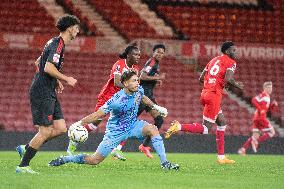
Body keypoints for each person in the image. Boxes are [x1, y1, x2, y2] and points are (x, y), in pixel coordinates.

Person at [49, 70, 179, 170]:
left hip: (132, 125)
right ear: (126, 83)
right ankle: (67, 159)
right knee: (95, 160)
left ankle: (165, 163)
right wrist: (79, 123)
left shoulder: (138, 89)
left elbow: (143, 98)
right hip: (115, 132)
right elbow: (97, 115)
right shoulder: (116, 100)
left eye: (137, 80)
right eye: (134, 81)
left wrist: (156, 107)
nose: (137, 83)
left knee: (153, 129)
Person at [15, 14, 80, 174]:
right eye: (77, 28)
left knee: (61, 128)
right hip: (42, 91)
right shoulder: (58, 44)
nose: (78, 31)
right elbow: (47, 68)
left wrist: (55, 80)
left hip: (48, 89)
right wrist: (66, 79)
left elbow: (39, 62)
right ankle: (23, 166)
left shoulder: (54, 42)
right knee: (44, 131)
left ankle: (27, 147)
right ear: (70, 28)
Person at [165, 41, 243, 164]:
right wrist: (237, 85)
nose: (236, 52)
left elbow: (201, 78)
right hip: (214, 96)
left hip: (205, 93)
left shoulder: (213, 60)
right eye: (234, 50)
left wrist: (215, 84)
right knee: (206, 128)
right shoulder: (231, 62)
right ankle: (179, 126)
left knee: (222, 122)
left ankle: (221, 157)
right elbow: (229, 79)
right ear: (227, 51)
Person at [66, 45, 140, 161]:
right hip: (108, 96)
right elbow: (116, 82)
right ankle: (74, 140)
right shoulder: (119, 64)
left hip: (122, 99)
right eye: (135, 54)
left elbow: (135, 85)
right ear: (128, 55)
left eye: (139, 54)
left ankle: (116, 149)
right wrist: (130, 86)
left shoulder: (136, 69)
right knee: (96, 122)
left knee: (126, 122)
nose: (138, 57)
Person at [112, 44, 167, 159]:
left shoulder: (155, 63)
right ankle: (116, 148)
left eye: (162, 53)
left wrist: (155, 81)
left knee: (159, 119)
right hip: (142, 97)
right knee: (129, 122)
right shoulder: (152, 62)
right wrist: (158, 78)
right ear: (153, 52)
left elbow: (145, 76)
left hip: (148, 96)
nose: (159, 54)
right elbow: (142, 76)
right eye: (158, 52)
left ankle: (144, 145)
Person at [238, 82, 276, 155]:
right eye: (269, 88)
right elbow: (254, 100)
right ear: (265, 88)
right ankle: (256, 141)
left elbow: (265, 110)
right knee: (272, 132)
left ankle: (243, 149)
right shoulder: (264, 95)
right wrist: (260, 109)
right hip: (261, 118)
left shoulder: (267, 96)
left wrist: (273, 106)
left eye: (271, 88)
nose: (271, 89)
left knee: (254, 136)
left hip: (256, 118)